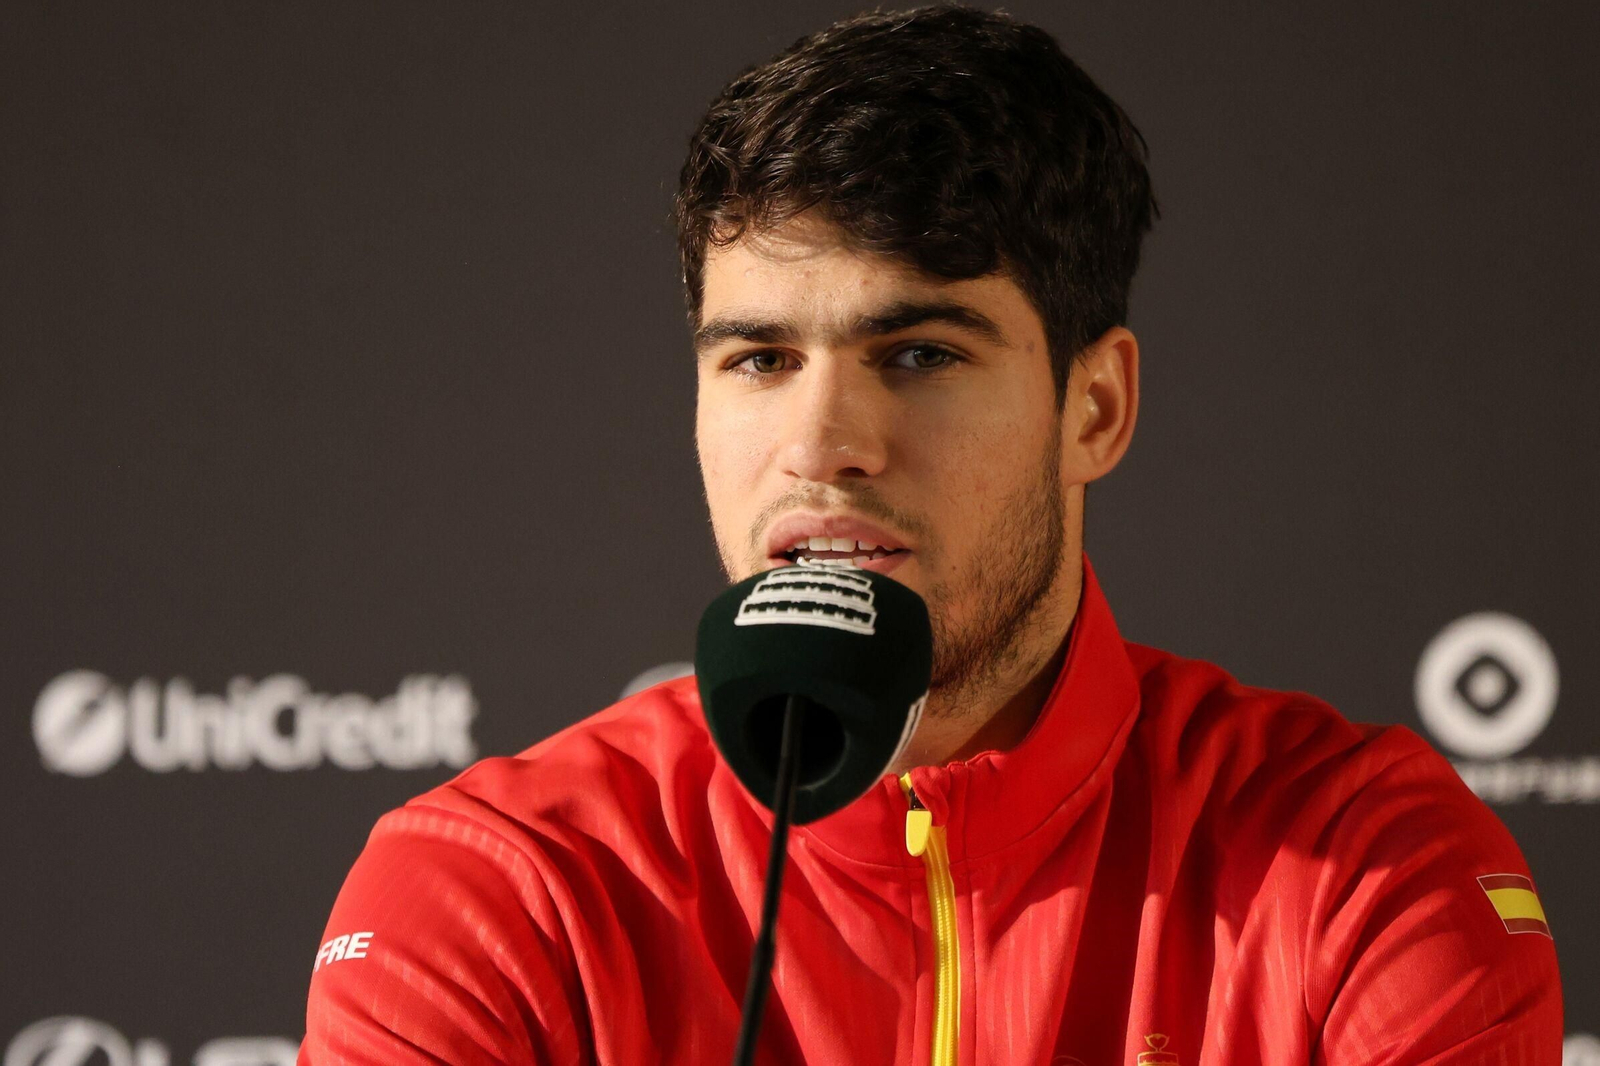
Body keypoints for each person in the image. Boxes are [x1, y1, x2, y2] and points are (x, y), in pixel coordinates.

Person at [298, 7, 1562, 1063]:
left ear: (1096, 406)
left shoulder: (1362, 871)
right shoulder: (497, 889)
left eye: (916, 353)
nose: (822, 442)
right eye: (758, 358)